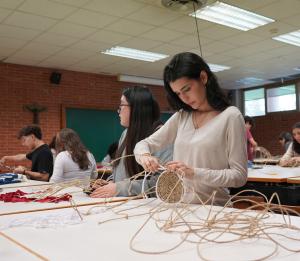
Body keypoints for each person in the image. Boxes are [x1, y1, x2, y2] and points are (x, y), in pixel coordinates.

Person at [134, 52, 247, 206]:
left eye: (187, 89)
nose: (184, 98)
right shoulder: (182, 117)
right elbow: (143, 145)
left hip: (214, 209)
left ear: (203, 77)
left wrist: (194, 172)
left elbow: (239, 176)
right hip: (180, 208)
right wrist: (145, 156)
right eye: (178, 93)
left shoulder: (231, 116)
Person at [91, 86, 173, 198]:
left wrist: (120, 188)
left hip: (145, 207)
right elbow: (119, 171)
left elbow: (162, 183)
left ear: (136, 108)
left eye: (122, 105)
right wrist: (110, 183)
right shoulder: (126, 133)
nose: (118, 111)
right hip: (121, 204)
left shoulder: (161, 136)